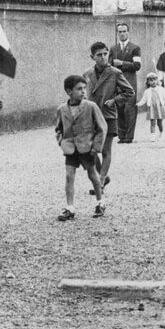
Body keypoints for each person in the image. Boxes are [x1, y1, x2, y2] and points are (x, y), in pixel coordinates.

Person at [54, 74, 107, 220]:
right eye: (79, 89)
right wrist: (61, 142)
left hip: (87, 147)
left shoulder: (90, 106)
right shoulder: (62, 109)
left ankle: (100, 202)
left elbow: (102, 127)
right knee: (69, 176)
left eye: (85, 88)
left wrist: (96, 147)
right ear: (69, 91)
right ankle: (70, 208)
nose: (83, 91)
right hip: (70, 148)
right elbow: (58, 129)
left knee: (93, 175)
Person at [84, 41, 135, 188]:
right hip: (92, 117)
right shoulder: (87, 74)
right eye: (99, 55)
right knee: (90, 151)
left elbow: (130, 92)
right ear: (92, 57)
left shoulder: (115, 72)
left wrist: (114, 100)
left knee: (106, 150)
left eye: (105, 54)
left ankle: (100, 181)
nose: (103, 57)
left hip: (108, 116)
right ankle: (103, 177)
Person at [108, 23, 142, 144]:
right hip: (117, 83)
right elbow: (109, 66)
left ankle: (129, 136)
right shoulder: (113, 48)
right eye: (120, 32)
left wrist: (122, 63)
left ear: (128, 32)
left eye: (124, 31)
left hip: (130, 83)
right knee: (119, 108)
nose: (122, 34)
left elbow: (137, 66)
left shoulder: (135, 48)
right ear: (117, 33)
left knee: (130, 109)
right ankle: (121, 135)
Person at [137, 72, 165, 138]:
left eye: (154, 80)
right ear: (148, 82)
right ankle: (152, 135)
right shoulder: (147, 91)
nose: (153, 82)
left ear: (157, 80)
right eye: (151, 80)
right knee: (152, 122)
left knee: (159, 122)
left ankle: (161, 132)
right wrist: (138, 104)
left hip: (160, 107)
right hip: (152, 108)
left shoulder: (161, 89)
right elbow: (144, 99)